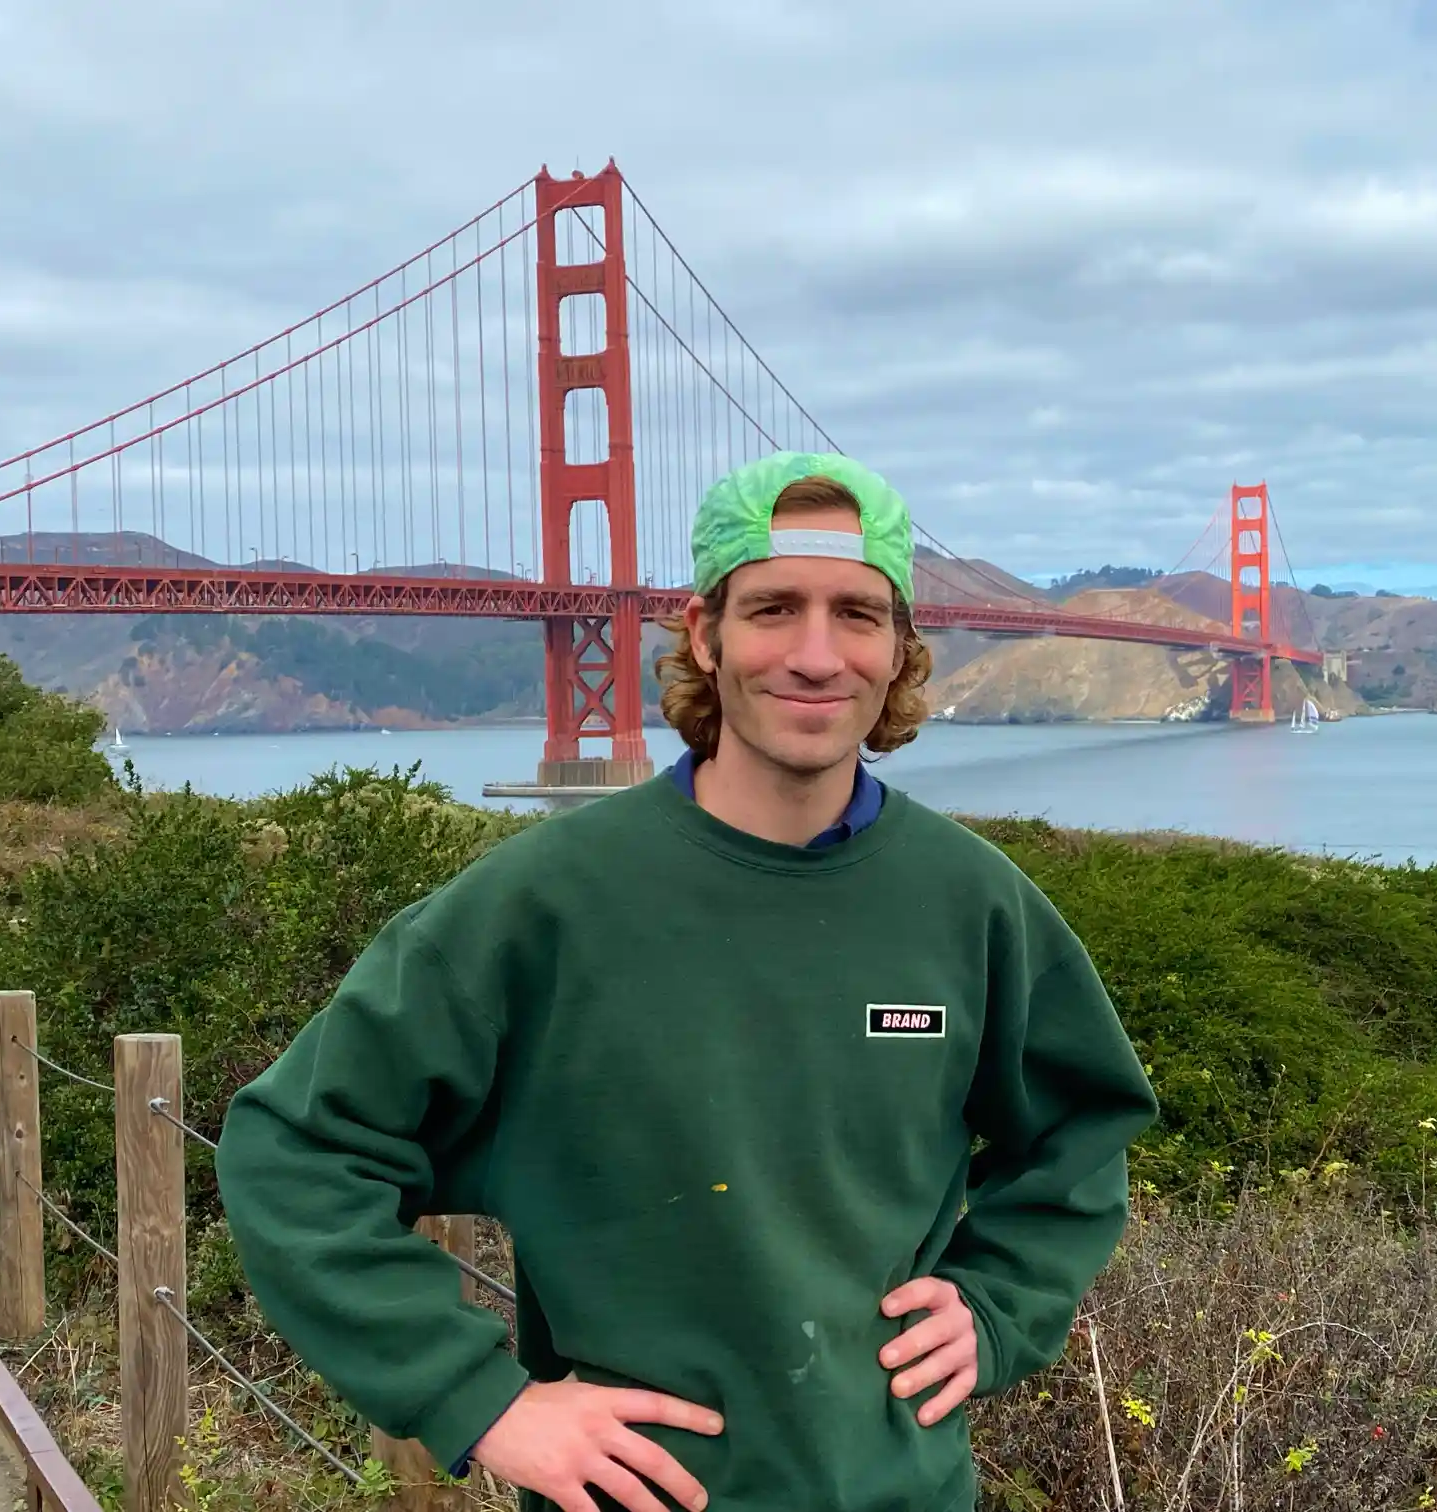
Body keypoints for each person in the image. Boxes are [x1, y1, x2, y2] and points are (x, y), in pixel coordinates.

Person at [214, 451, 1160, 1512]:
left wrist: (997, 1306)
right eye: (771, 609)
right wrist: (481, 1398)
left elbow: (1082, 1130)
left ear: (900, 650)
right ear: (705, 636)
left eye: (857, 613)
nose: (815, 655)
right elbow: (296, 1148)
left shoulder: (974, 904)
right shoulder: (545, 904)